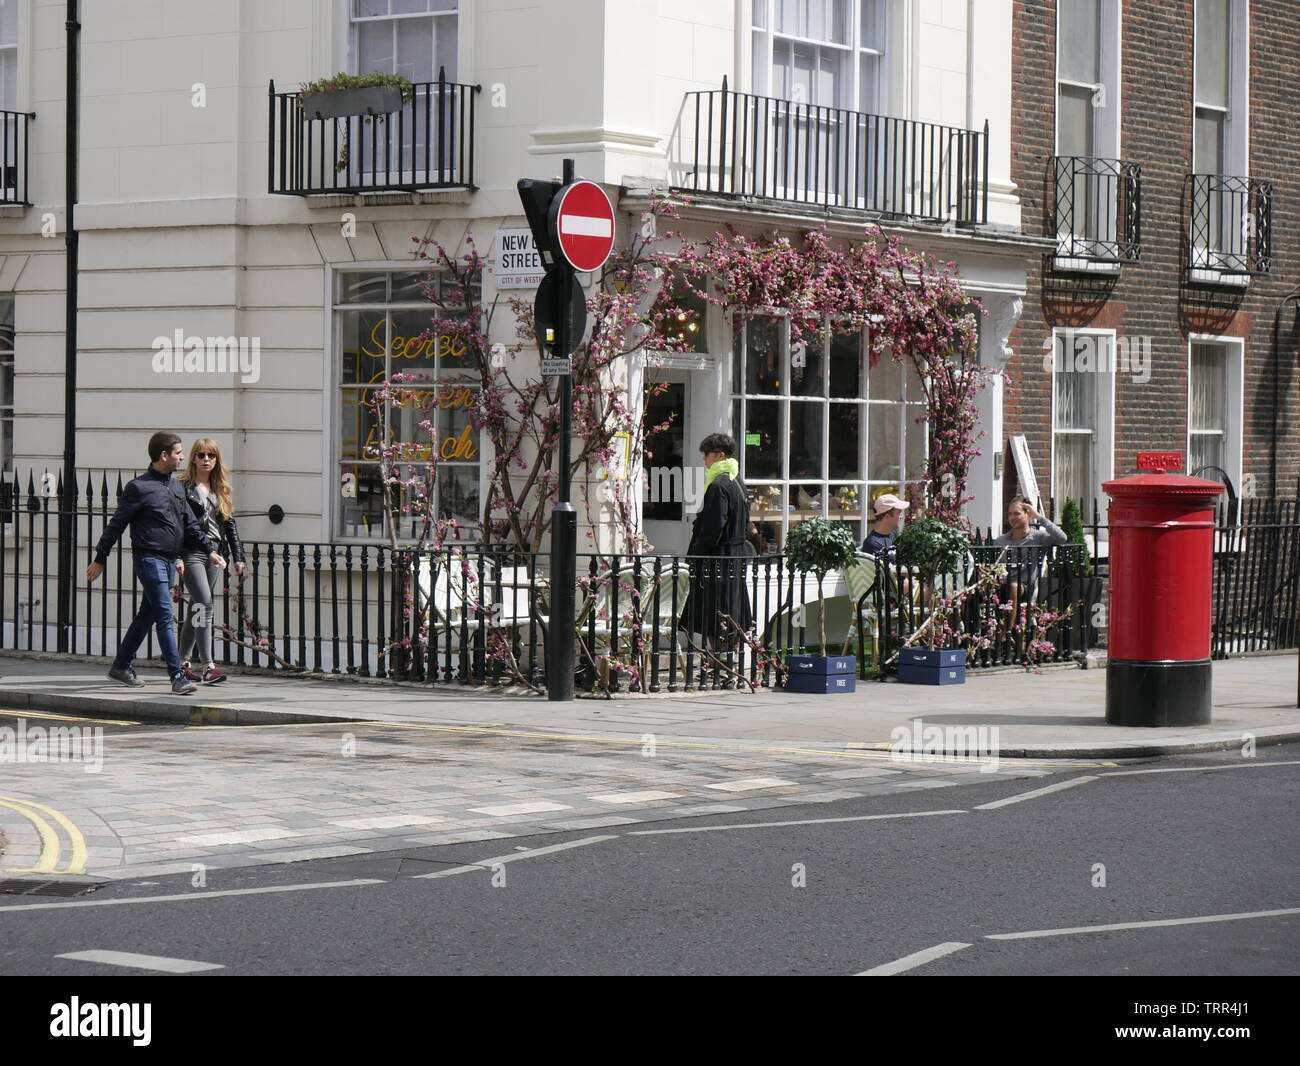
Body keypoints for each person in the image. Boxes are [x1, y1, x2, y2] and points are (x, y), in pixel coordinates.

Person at [86, 433, 226, 695]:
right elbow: (116, 525)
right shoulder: (138, 488)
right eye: (178, 453)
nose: (183, 457)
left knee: (146, 616)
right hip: (148, 559)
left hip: (170, 561)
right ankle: (177, 676)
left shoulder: (175, 487)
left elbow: (190, 525)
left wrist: (209, 551)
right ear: (164, 456)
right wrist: (100, 558)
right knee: (164, 615)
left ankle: (121, 666)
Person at [176, 438, 246, 685]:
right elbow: (177, 525)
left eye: (211, 455)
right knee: (205, 604)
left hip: (215, 555)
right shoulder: (182, 488)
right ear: (193, 458)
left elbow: (230, 526)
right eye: (202, 455)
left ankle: (182, 663)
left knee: (196, 606)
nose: (206, 459)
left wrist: (238, 557)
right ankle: (208, 665)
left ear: (216, 460)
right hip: (192, 553)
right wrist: (176, 556)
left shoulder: (220, 489)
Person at [679, 433, 752, 647]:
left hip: (718, 559)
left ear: (720, 455)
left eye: (707, 455)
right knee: (731, 612)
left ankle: (720, 665)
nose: (704, 460)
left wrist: (696, 556)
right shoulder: (737, 480)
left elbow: (713, 528)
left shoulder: (719, 485)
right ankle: (728, 665)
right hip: (734, 557)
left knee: (716, 614)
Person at [994, 495, 1068, 611]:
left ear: (1027, 514)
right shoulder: (1001, 541)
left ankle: (1009, 629)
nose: (1012, 517)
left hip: (1025, 587)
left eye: (1017, 513)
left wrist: (1039, 517)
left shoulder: (1038, 537)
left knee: (1013, 587)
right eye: (1010, 514)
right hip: (1001, 584)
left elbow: (1062, 538)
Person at [862, 492, 909, 561]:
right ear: (887, 516)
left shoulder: (893, 535)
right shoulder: (872, 544)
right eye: (899, 513)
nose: (902, 517)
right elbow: (882, 571)